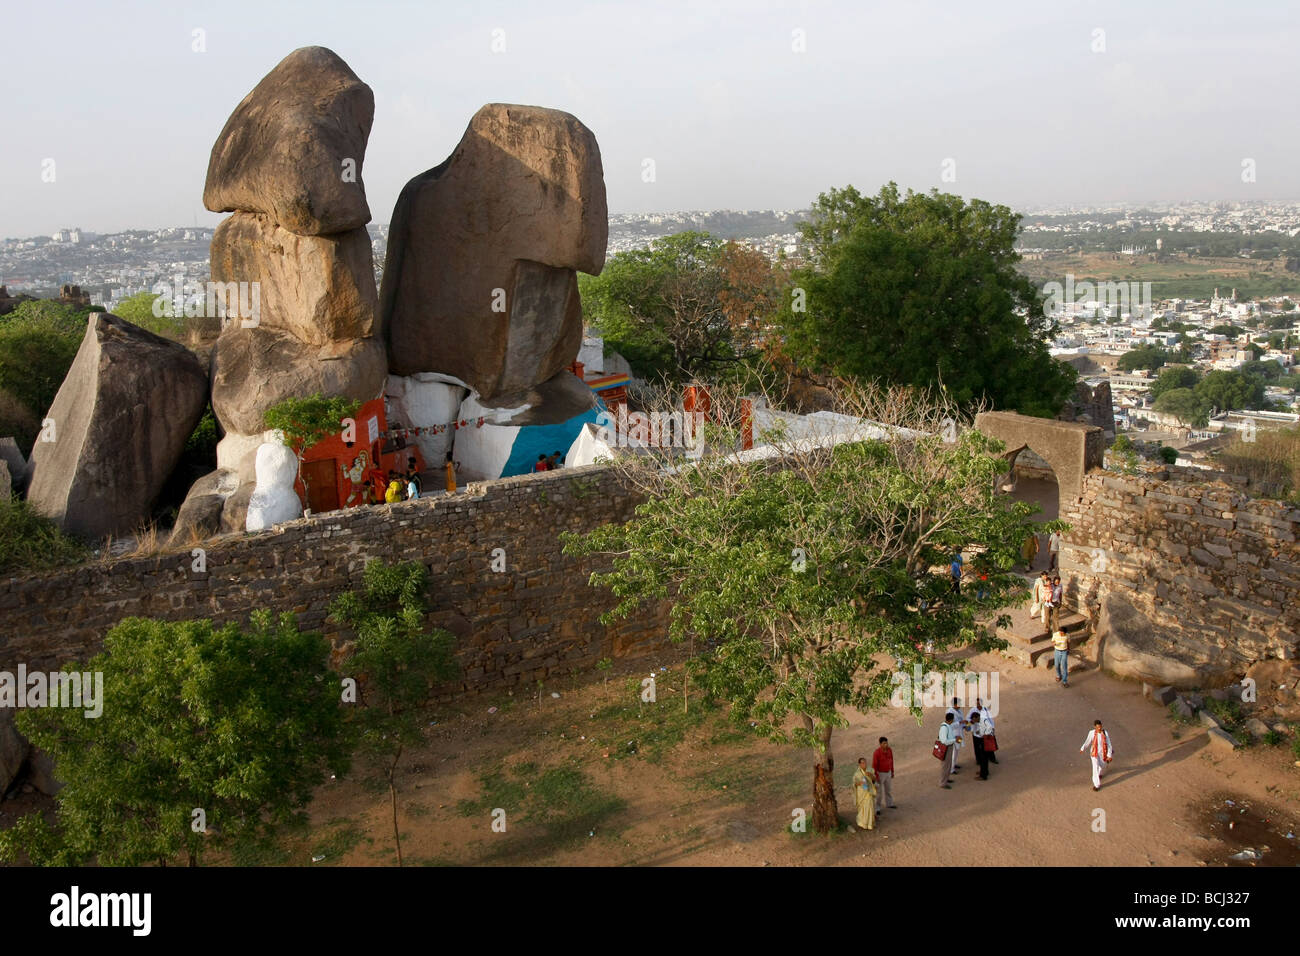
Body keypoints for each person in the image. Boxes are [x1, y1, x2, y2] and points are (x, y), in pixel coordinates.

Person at [1080, 719, 1113, 791]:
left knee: (1102, 765)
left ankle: (1099, 773)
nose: (1099, 729)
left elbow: (1109, 744)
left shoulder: (1105, 733)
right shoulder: (1091, 733)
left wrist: (1109, 755)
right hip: (1094, 753)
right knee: (1095, 767)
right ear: (1095, 727)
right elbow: (1088, 741)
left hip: (1102, 753)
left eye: (1100, 727)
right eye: (1098, 727)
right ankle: (1096, 784)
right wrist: (1083, 748)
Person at [871, 737, 896, 812]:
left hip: (888, 772)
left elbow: (891, 761)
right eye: (884, 743)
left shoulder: (889, 750)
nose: (886, 745)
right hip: (880, 773)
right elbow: (874, 765)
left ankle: (889, 803)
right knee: (879, 792)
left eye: (886, 743)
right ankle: (877, 808)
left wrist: (892, 771)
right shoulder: (877, 753)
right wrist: (876, 776)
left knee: (888, 789)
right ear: (880, 744)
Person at [853, 758, 878, 831]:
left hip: (869, 792)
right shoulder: (856, 774)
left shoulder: (870, 770)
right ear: (860, 764)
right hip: (861, 793)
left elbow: (874, 780)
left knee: (870, 806)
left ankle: (870, 824)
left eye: (865, 763)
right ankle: (862, 823)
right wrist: (860, 783)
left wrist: (870, 775)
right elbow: (854, 783)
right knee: (862, 808)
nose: (864, 764)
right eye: (862, 763)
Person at [945, 697, 967, 771]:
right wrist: (960, 723)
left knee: (957, 750)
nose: (960, 705)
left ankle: (954, 764)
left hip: (959, 734)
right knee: (954, 751)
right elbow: (949, 725)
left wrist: (964, 726)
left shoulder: (959, 710)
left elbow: (962, 719)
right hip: (953, 735)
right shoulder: (949, 712)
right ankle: (951, 769)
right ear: (954, 704)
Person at [937, 713, 958, 789]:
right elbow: (944, 741)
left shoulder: (947, 726)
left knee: (948, 765)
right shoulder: (944, 728)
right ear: (951, 719)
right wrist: (954, 740)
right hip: (946, 748)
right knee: (945, 766)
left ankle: (946, 779)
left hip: (948, 747)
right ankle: (943, 783)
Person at [975, 697, 998, 764]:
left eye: (979, 704)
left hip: (988, 731)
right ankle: (981, 760)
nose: (978, 705)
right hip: (981, 732)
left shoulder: (986, 710)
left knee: (990, 744)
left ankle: (992, 758)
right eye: (977, 704)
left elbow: (991, 719)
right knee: (981, 747)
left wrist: (992, 728)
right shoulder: (974, 711)